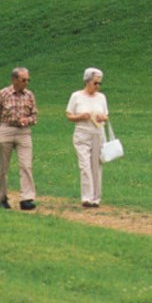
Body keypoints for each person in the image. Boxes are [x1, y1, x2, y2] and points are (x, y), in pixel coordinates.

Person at [0, 67, 38, 210]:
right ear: (14, 80)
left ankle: (26, 199)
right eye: (23, 80)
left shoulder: (29, 95)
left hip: (24, 132)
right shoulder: (3, 94)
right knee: (3, 167)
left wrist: (27, 120)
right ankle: (2, 198)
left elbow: (35, 116)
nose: (26, 83)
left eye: (28, 80)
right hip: (6, 130)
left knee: (26, 165)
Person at [65, 67, 109, 208]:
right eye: (95, 83)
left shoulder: (101, 97)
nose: (97, 86)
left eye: (99, 84)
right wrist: (80, 116)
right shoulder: (76, 96)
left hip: (98, 133)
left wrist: (103, 117)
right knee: (85, 166)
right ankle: (86, 197)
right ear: (87, 81)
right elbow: (69, 115)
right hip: (82, 133)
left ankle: (96, 198)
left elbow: (106, 115)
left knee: (96, 166)